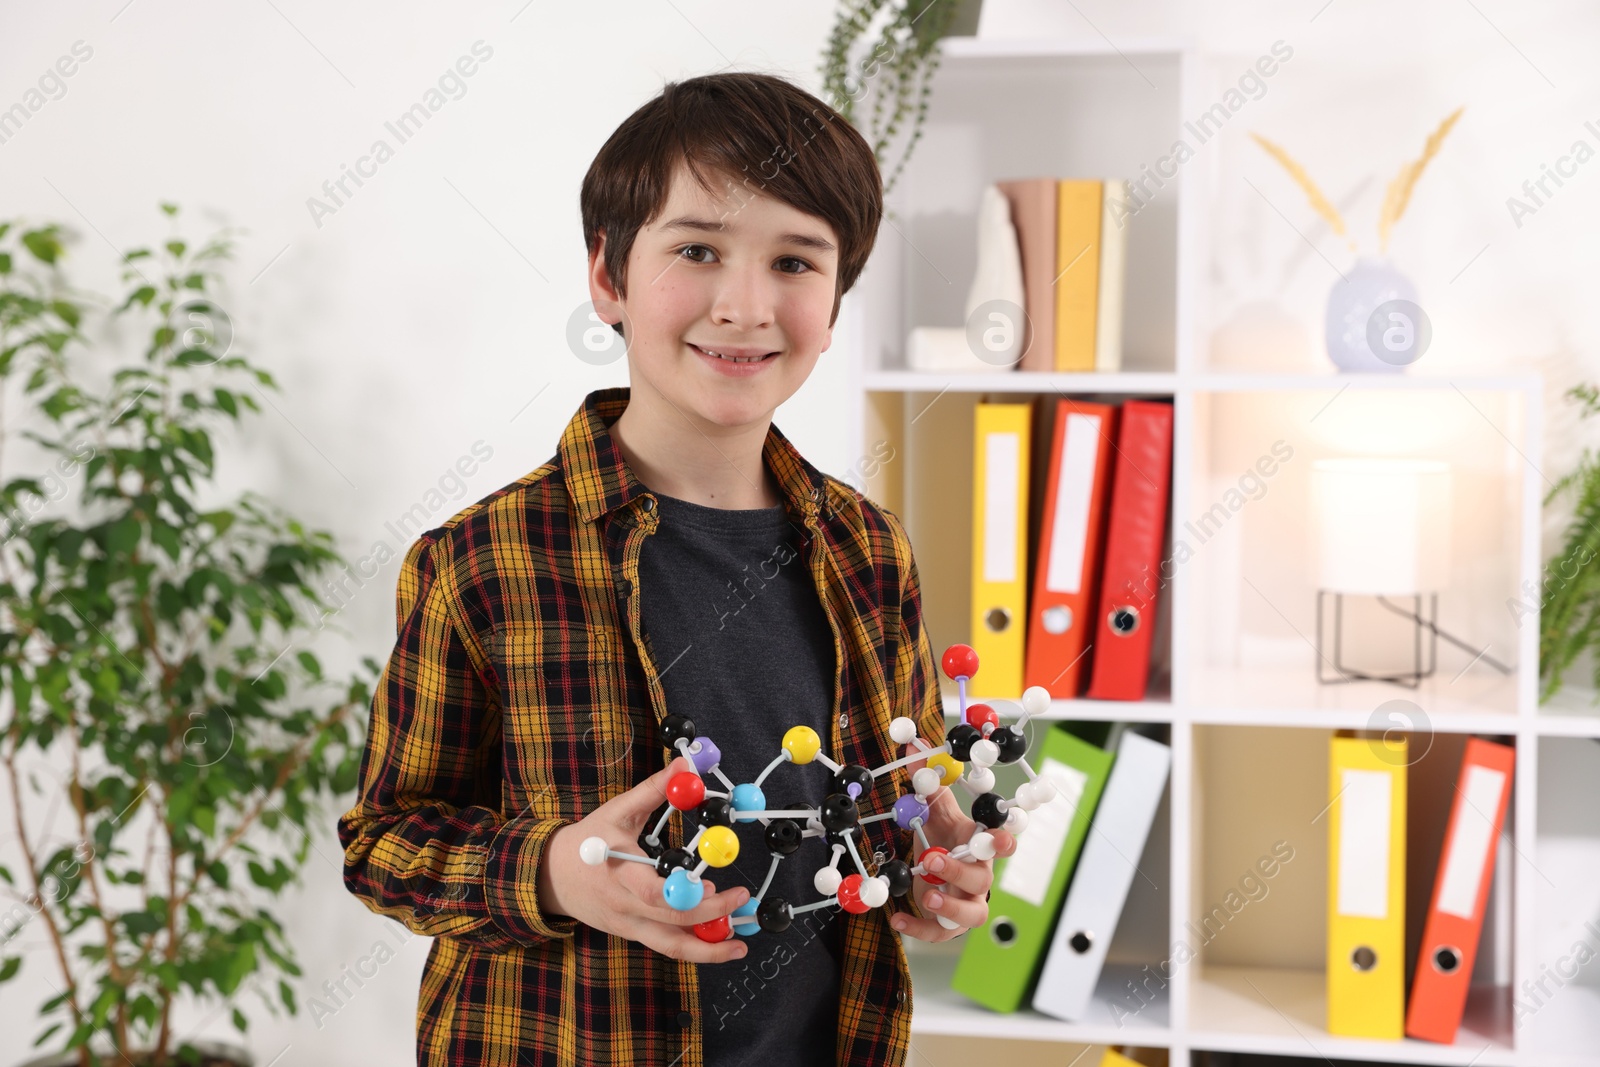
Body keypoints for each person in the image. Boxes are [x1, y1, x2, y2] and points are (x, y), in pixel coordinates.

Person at [336, 70, 1016, 1067]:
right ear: (607, 276)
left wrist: (928, 865)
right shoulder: (480, 560)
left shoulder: (871, 553)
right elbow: (386, 844)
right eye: (698, 249)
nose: (745, 305)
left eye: (795, 260)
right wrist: (558, 870)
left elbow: (891, 802)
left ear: (834, 302)